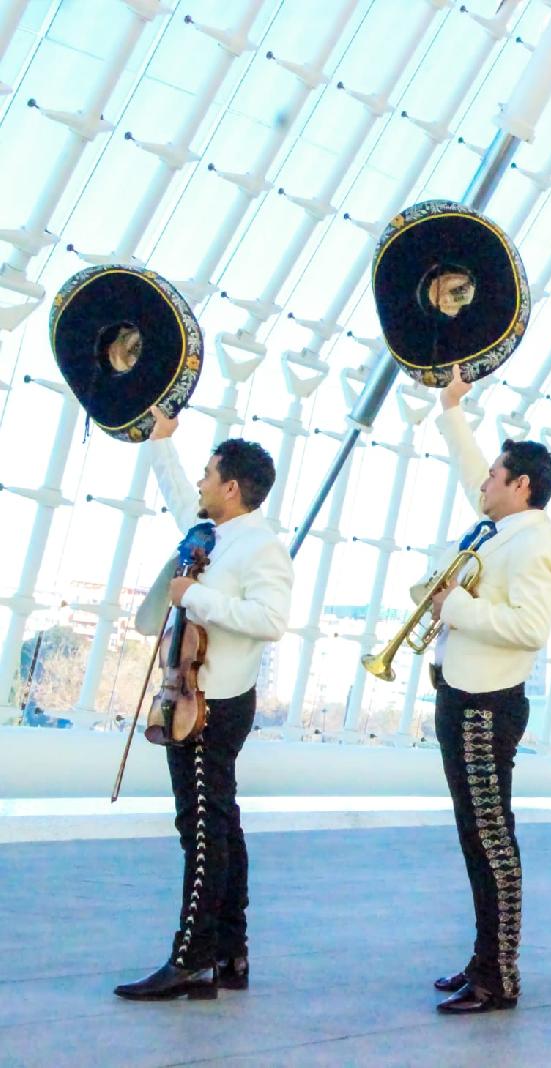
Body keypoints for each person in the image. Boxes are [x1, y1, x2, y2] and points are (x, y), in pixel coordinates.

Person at [114, 407, 293, 1002]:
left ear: (233, 488)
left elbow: (271, 620)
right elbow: (174, 492)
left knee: (200, 828)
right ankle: (231, 950)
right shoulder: (212, 534)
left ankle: (192, 957)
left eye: (209, 474)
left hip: (211, 705)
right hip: (196, 697)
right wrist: (162, 442)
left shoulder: (261, 548)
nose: (200, 483)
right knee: (221, 821)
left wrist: (197, 597)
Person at [425, 378, 551, 1014]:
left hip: (487, 705)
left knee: (492, 841)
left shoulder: (536, 541)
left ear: (522, 487)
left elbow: (529, 628)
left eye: (496, 476)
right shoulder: (499, 530)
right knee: (474, 837)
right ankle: (485, 959)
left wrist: (453, 604)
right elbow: (468, 472)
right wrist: (451, 411)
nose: (484, 483)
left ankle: (499, 975)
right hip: (461, 695)